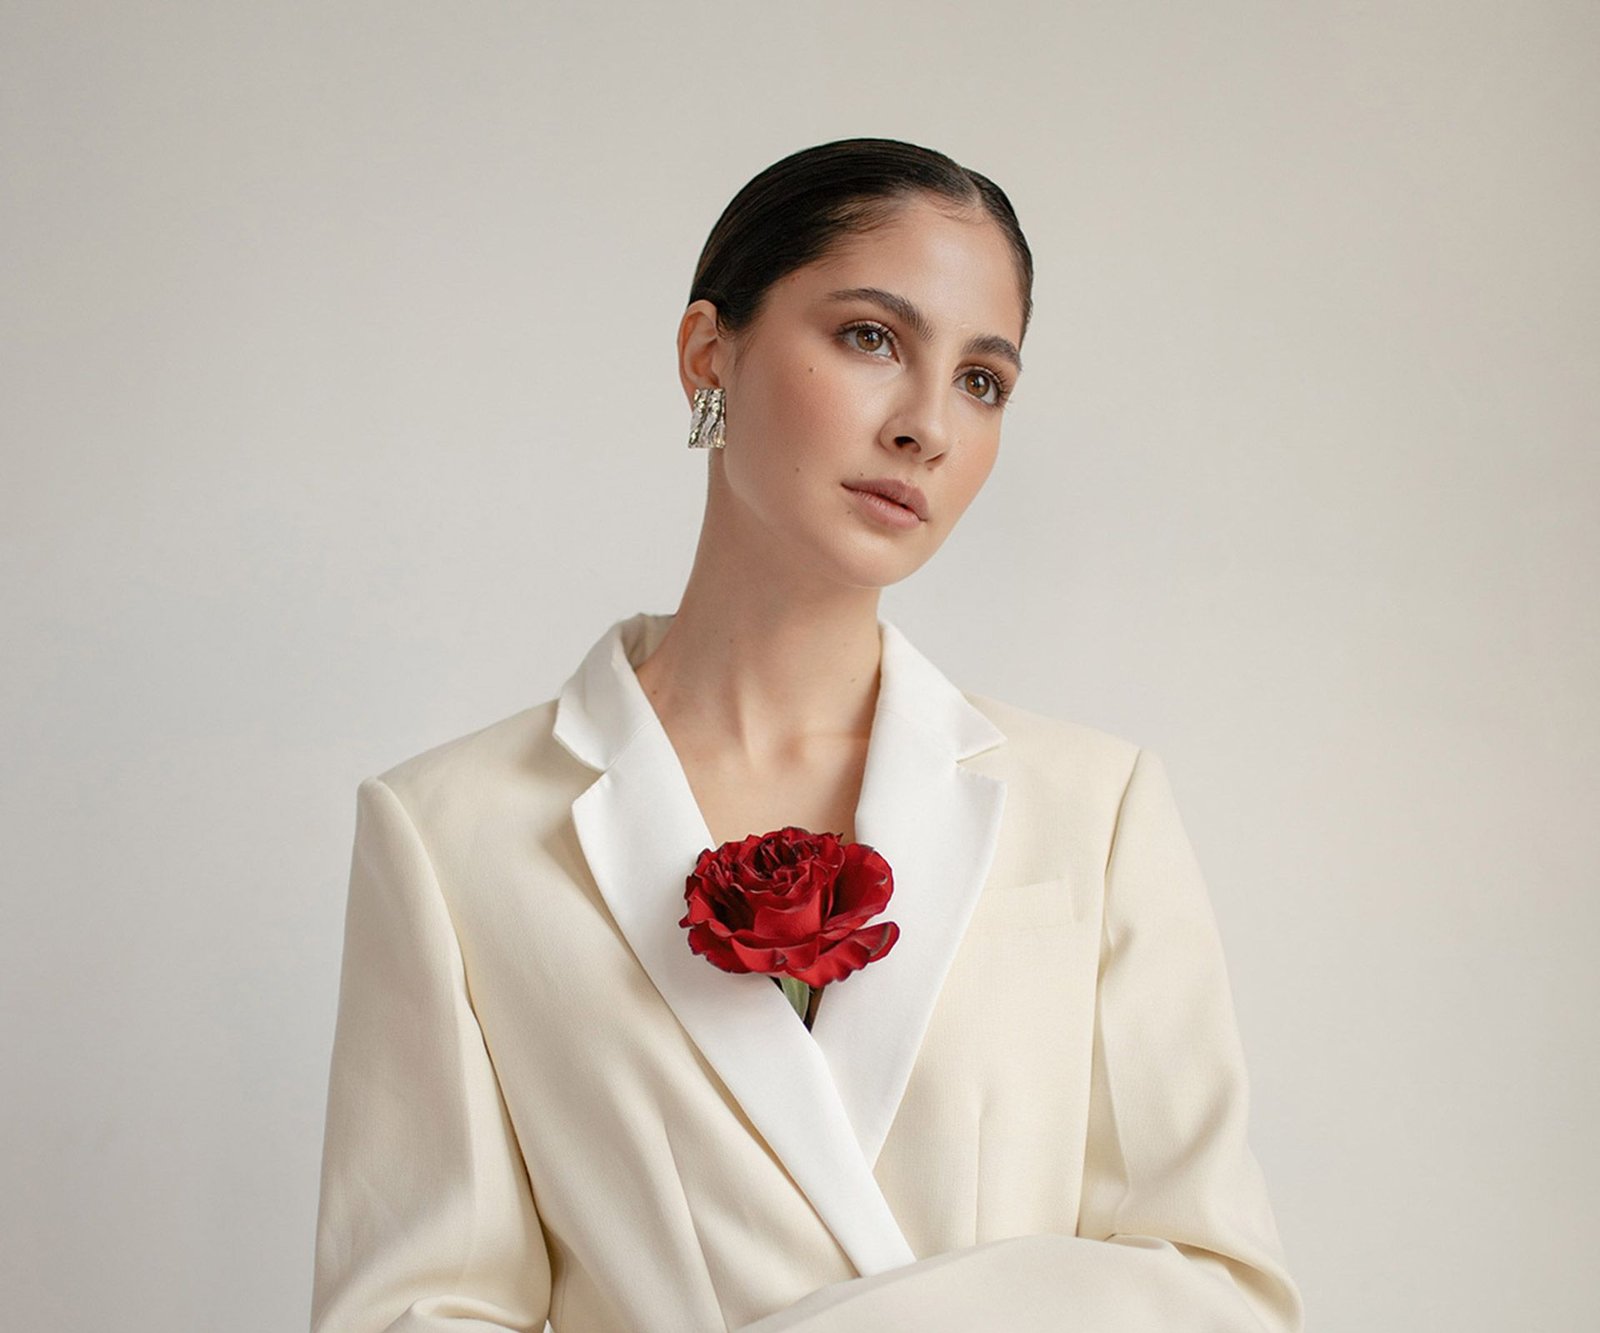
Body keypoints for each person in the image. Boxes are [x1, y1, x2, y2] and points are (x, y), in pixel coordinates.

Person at [310, 137, 1305, 1332]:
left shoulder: (1093, 807)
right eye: (871, 337)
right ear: (708, 354)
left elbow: (1216, 1290)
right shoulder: (452, 831)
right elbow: (418, 1309)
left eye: (982, 381)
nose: (927, 425)